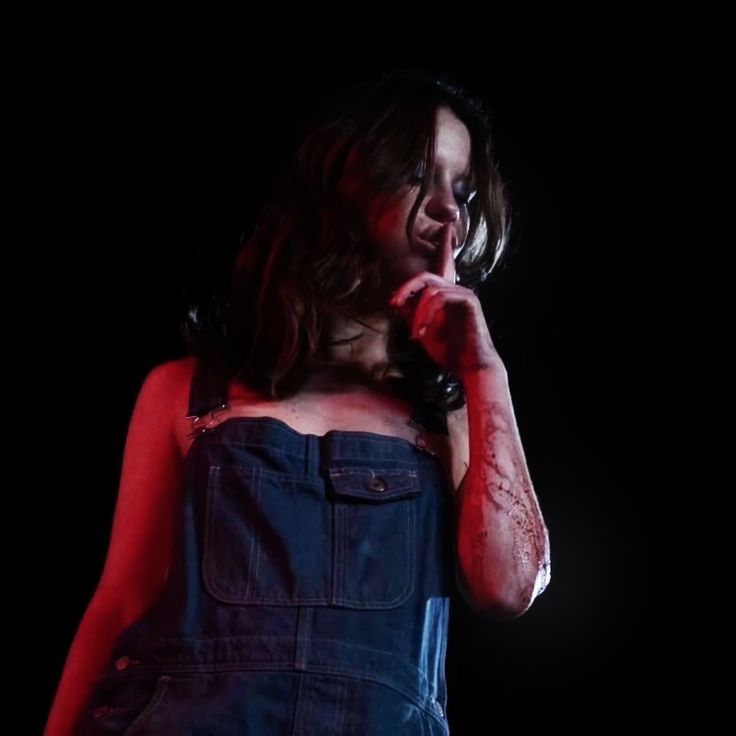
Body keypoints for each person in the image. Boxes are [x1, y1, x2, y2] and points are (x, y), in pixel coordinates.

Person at [45, 67, 551, 735]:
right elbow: (119, 607)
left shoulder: (450, 412)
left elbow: (508, 588)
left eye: (463, 190)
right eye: (417, 175)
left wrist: (484, 372)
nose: (447, 210)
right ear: (346, 180)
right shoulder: (185, 391)